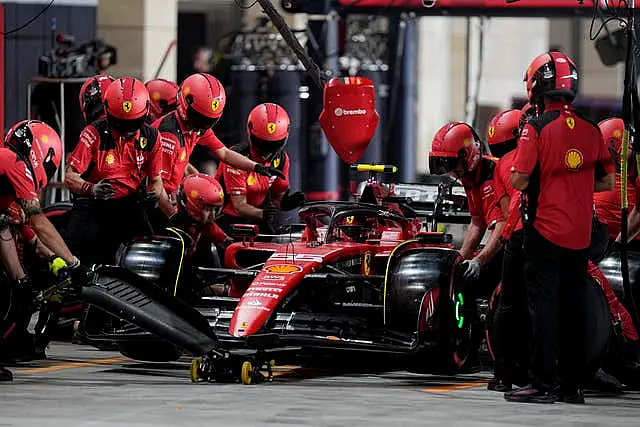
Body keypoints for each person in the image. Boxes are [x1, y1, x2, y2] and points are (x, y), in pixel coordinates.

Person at [506, 51, 615, 404]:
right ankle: (573, 386)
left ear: (538, 86)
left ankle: (541, 383)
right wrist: (574, 181)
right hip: (580, 234)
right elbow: (606, 182)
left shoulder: (535, 129)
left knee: (544, 308)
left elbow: (520, 180)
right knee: (575, 308)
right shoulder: (589, 128)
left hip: (544, 231)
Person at [0, 120, 86, 379]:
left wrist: (26, 276)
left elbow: (15, 232)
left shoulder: (7, 177)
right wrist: (73, 263)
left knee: (16, 291)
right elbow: (37, 220)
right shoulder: (13, 163)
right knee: (5, 293)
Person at [151, 74, 287, 225]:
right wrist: (172, 216)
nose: (203, 124)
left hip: (164, 199)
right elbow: (155, 185)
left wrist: (256, 167)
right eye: (199, 118)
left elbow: (224, 153)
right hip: (153, 203)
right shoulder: (170, 137)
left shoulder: (196, 127)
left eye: (209, 121)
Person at [64, 77, 169, 266]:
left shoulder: (152, 137)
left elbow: (156, 180)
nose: (127, 131)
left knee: (152, 258)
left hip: (130, 205)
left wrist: (153, 195)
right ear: (107, 111)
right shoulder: (92, 133)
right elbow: (70, 177)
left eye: (133, 124)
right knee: (81, 260)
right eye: (120, 123)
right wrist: (91, 188)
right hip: (93, 204)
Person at [485, 108, 529, 392]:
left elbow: (504, 212)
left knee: (509, 304)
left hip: (515, 235)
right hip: (546, 233)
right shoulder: (538, 152)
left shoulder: (500, 166)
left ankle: (502, 373)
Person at [428, 121, 504, 285]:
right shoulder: (470, 178)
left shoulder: (493, 174)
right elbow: (477, 222)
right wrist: (459, 259)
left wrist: (479, 261)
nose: (451, 171)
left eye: (452, 164)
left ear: (467, 155)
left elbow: (502, 228)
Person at [215, 102, 305, 235]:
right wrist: (262, 214)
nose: (267, 151)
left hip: (259, 219)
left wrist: (287, 203)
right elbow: (239, 206)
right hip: (229, 220)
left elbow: (278, 196)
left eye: (274, 144)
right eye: (262, 144)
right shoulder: (237, 157)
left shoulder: (281, 159)